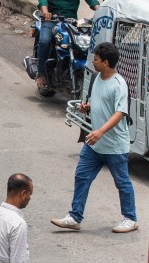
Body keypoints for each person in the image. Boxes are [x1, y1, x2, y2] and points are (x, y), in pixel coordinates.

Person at [51, 42, 139, 234]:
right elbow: (98, 102)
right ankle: (74, 217)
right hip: (94, 144)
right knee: (82, 176)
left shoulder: (119, 84)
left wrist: (100, 132)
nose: (93, 62)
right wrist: (87, 107)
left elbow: (120, 113)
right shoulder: (98, 77)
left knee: (122, 182)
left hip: (114, 145)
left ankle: (130, 218)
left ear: (106, 62)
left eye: (96, 59)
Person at [34, 0, 100, 90]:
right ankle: (41, 73)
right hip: (51, 19)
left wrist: (99, 9)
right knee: (45, 40)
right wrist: (45, 11)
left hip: (71, 22)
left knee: (84, 45)